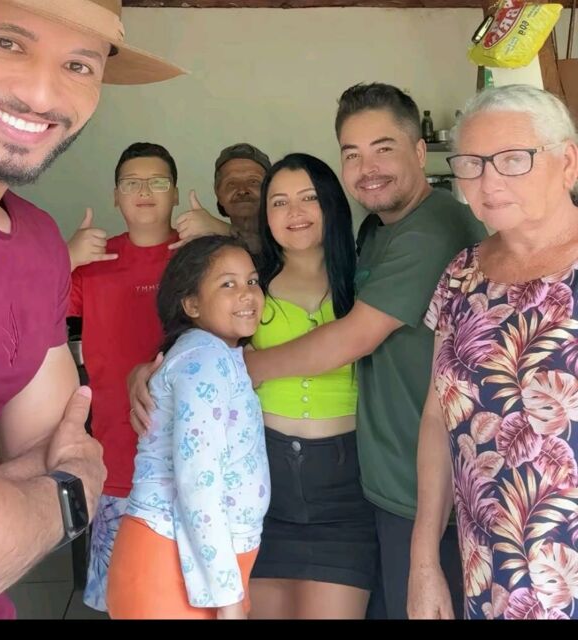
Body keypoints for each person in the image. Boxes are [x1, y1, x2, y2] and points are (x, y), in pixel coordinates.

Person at [0, 0, 183, 619]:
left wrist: (21, 499)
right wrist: (70, 495)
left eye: (79, 64)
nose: (42, 95)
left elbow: (53, 443)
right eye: (6, 42)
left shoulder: (40, 243)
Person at [241, 83, 487, 618]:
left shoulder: (434, 228)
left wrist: (246, 366)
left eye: (383, 148)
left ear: (419, 151)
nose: (367, 168)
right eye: (352, 153)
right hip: (380, 483)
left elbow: (355, 335)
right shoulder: (377, 231)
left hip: (428, 492)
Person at [408, 85, 578, 620]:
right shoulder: (461, 275)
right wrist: (423, 562)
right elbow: (437, 417)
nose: (489, 181)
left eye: (513, 159)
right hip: (491, 576)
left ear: (568, 163)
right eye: (472, 163)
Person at [107, 235, 270, 619]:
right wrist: (229, 600)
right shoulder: (204, 360)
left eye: (252, 281)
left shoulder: (216, 354)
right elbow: (198, 480)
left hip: (190, 562)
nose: (247, 293)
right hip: (171, 565)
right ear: (191, 304)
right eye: (227, 284)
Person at [246, 153, 374, 619]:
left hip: (345, 489)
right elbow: (199, 356)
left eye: (308, 198)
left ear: (331, 205)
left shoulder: (365, 282)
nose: (294, 212)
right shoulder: (248, 286)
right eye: (279, 202)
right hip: (261, 484)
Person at [67, 142, 179, 612]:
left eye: (157, 181)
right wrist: (65, 259)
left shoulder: (199, 258)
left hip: (191, 461)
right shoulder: (93, 262)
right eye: (131, 182)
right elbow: (21, 307)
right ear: (116, 196)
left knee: (189, 599)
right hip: (116, 458)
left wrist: (224, 237)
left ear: (176, 193)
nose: (144, 191)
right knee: (124, 600)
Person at [169, 143, 270, 254]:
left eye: (253, 182)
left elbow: (267, 248)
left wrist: (221, 228)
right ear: (218, 193)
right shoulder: (209, 250)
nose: (242, 190)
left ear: (271, 189)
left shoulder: (283, 231)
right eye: (232, 183)